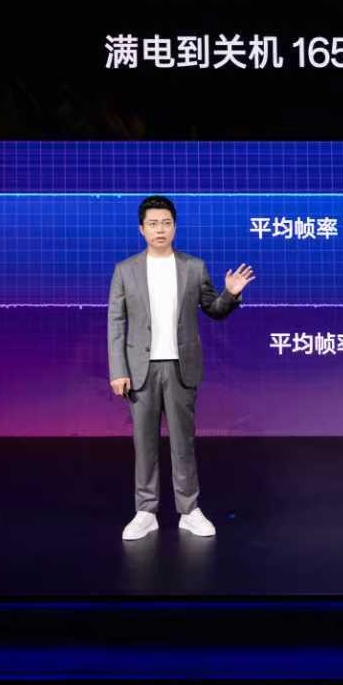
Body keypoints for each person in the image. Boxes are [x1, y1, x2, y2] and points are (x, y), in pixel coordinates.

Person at [108, 194, 255, 540]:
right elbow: (116, 322)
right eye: (153, 224)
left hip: (180, 367)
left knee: (183, 444)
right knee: (144, 444)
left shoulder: (193, 267)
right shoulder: (125, 270)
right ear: (142, 229)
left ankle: (189, 511)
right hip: (140, 370)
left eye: (166, 223)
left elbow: (214, 310)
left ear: (175, 227)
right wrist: (118, 369)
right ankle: (145, 512)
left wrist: (230, 294)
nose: (160, 229)